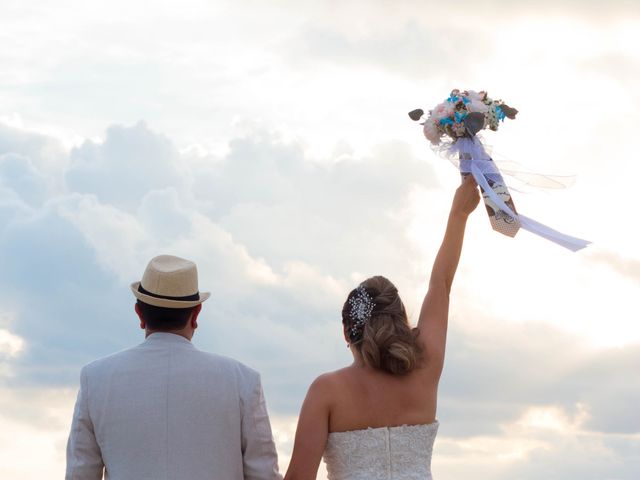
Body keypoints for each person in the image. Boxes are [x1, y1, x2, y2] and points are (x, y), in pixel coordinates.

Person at [284, 176, 480, 480]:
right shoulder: (425, 366)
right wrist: (460, 213)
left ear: (347, 332)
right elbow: (441, 283)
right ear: (400, 323)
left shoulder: (327, 390)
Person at [66, 254, 282, 480]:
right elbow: (264, 474)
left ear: (139, 313)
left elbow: (80, 474)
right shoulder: (243, 380)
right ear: (196, 313)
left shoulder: (96, 378)